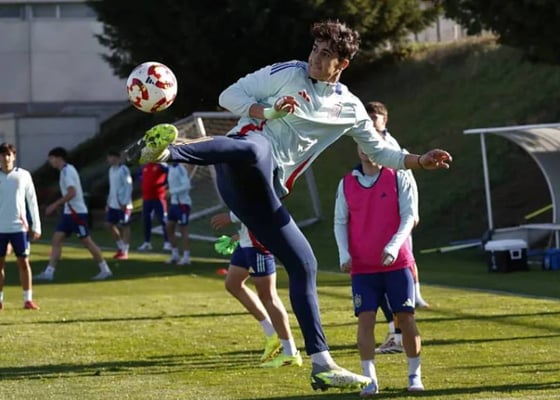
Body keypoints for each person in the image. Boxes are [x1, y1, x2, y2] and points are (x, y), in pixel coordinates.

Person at [124, 20, 451, 391]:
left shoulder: (350, 108)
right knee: (256, 148)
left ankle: (321, 364)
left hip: (261, 194)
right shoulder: (287, 73)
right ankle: (167, 152)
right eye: (315, 50)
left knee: (304, 263)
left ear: (342, 64)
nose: (314, 58)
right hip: (239, 163)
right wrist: (269, 113)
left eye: (325, 54)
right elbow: (228, 96)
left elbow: (379, 151)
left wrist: (419, 160)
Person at [334, 145, 424, 394]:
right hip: (363, 268)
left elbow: (409, 216)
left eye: (370, 141)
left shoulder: (397, 176)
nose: (365, 148)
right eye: (361, 142)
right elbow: (340, 221)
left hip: (398, 264)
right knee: (366, 319)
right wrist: (344, 254)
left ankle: (414, 376)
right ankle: (369, 379)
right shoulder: (346, 183)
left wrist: (393, 246)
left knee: (405, 318)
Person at [365, 101, 429, 356]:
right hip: (381, 218)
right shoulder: (371, 142)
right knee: (380, 276)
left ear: (385, 120)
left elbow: (404, 177)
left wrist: (411, 212)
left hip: (392, 219)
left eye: (374, 117)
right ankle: (396, 333)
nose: (370, 122)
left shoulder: (389, 146)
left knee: (394, 271)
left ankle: (399, 333)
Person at [211, 211, 301, 368]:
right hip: (246, 242)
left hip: (258, 245)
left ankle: (290, 353)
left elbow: (260, 206)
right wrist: (241, 234)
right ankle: (272, 333)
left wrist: (231, 217)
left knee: (268, 296)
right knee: (233, 284)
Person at [34, 147, 113, 282]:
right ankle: (49, 272)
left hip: (77, 213)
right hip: (68, 213)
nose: (50, 162)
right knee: (56, 239)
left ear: (58, 158)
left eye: (51, 159)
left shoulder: (68, 171)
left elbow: (72, 193)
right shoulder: (64, 171)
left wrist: (54, 205)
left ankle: (105, 269)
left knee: (87, 242)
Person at [0, 143, 41, 309]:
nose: (5, 158)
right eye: (2, 155)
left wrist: (36, 225)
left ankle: (28, 299)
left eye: (8, 154)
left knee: (23, 262)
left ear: (14, 156)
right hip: (0, 228)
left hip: (19, 227)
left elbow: (32, 200)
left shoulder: (23, 175)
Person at [105, 149, 133, 260]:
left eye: (110, 157)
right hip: (113, 204)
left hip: (123, 204)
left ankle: (125, 251)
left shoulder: (123, 169)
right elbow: (112, 188)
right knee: (109, 224)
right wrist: (108, 202)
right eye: (108, 157)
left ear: (116, 158)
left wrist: (125, 202)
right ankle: (121, 247)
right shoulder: (111, 170)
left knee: (125, 226)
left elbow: (128, 186)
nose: (108, 159)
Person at [137, 162, 171, 251]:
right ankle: (147, 243)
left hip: (159, 198)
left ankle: (168, 242)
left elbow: (170, 173)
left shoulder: (161, 165)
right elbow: (139, 175)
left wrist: (166, 184)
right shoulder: (145, 166)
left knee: (163, 220)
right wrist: (143, 181)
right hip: (147, 198)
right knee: (146, 220)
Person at [165, 162, 191, 265]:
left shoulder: (180, 168)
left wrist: (172, 191)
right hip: (174, 203)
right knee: (169, 227)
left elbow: (187, 185)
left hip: (182, 204)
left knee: (183, 230)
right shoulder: (170, 168)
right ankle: (175, 254)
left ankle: (186, 257)